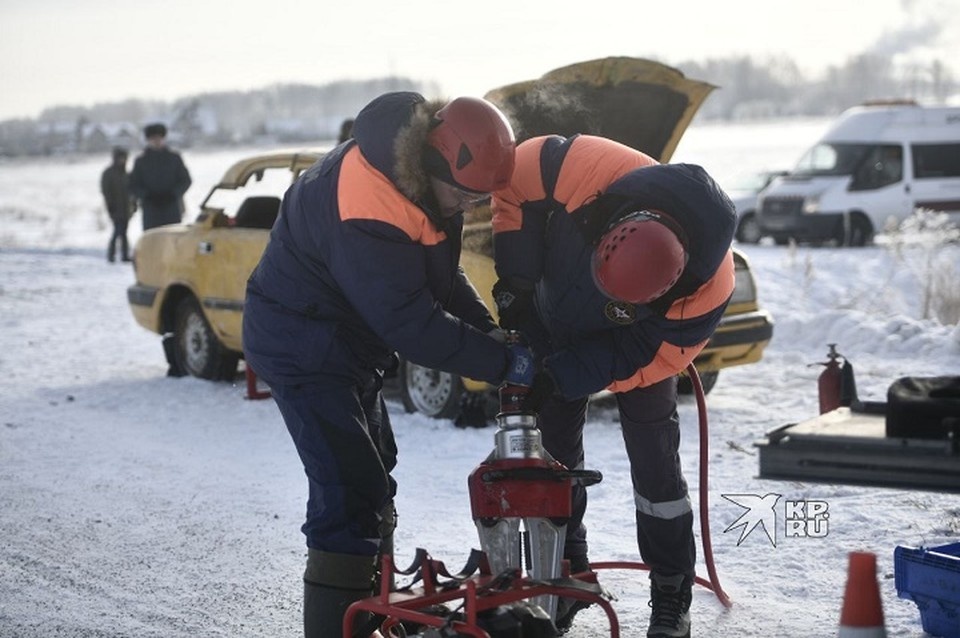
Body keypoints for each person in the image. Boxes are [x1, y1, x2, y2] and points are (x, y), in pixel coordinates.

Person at [242, 91, 532, 638]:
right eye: (463, 195)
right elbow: (410, 321)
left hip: (345, 343)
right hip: (300, 343)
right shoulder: (370, 200)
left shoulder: (418, 180)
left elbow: (440, 278)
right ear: (434, 162)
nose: (465, 208)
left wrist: (488, 331)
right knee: (347, 487)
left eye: (477, 199)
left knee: (376, 472)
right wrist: (501, 363)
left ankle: (370, 614)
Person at [489, 134, 736, 638]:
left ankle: (671, 591)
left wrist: (563, 375)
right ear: (609, 229)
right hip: (554, 316)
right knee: (552, 459)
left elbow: (644, 359)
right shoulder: (583, 167)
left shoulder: (707, 292)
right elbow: (512, 184)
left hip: (638, 346)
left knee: (655, 466)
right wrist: (516, 281)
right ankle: (565, 576)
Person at [129, 122, 192, 231]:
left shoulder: (174, 158)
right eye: (153, 138)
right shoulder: (141, 161)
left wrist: (173, 194)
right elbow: (132, 184)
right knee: (152, 239)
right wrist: (147, 196)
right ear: (148, 140)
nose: (156, 141)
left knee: (172, 238)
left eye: (159, 138)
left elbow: (185, 180)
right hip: (151, 211)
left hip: (171, 209)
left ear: (164, 138)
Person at [100, 146, 135, 262]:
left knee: (123, 232)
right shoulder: (108, 173)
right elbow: (106, 191)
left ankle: (124, 255)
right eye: (120, 158)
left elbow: (132, 191)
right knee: (117, 231)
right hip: (115, 208)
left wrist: (134, 205)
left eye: (124, 158)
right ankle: (112, 254)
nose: (122, 160)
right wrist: (110, 205)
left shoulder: (126, 174)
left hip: (126, 209)